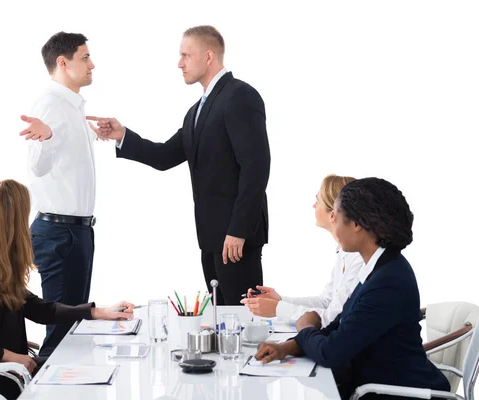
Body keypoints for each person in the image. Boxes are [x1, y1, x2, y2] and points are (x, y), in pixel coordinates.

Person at [88, 25, 271, 305]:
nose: (179, 63)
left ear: (208, 56)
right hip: (211, 237)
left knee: (241, 320)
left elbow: (256, 167)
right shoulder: (195, 112)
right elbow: (164, 156)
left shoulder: (239, 96)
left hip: (236, 238)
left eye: (186, 55)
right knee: (221, 319)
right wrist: (121, 134)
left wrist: (238, 230)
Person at [0, 180, 134, 399]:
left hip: (9, 372)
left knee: (93, 372)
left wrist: (97, 312)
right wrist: (7, 356)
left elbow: (40, 309)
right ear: (15, 221)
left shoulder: (0, 264)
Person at [254, 178, 449, 399]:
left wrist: (306, 326)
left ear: (356, 224)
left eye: (336, 217)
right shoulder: (379, 267)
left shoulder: (388, 280)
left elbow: (331, 352)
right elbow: (339, 326)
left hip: (400, 393)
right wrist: (286, 348)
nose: (333, 223)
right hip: (376, 385)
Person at [18, 31, 100, 356]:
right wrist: (48, 135)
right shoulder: (51, 106)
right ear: (63, 63)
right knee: (62, 335)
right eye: (85, 57)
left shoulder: (72, 107)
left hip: (74, 232)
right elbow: (37, 167)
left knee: (73, 328)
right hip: (60, 233)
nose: (92, 64)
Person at [241, 174, 364, 329]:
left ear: (332, 214)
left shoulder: (360, 259)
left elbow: (333, 317)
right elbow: (326, 301)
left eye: (317, 201)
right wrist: (280, 300)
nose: (313, 206)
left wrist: (278, 309)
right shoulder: (344, 252)